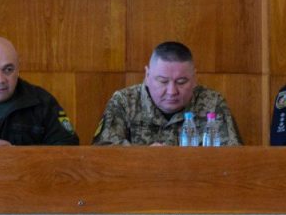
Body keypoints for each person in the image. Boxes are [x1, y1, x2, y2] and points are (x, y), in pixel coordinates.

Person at [92, 41, 242, 145]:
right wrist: (144, 156)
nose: (172, 91)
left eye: (181, 82)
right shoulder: (125, 102)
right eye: (163, 81)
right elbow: (102, 151)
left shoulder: (212, 103)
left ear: (195, 78)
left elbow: (234, 156)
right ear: (147, 75)